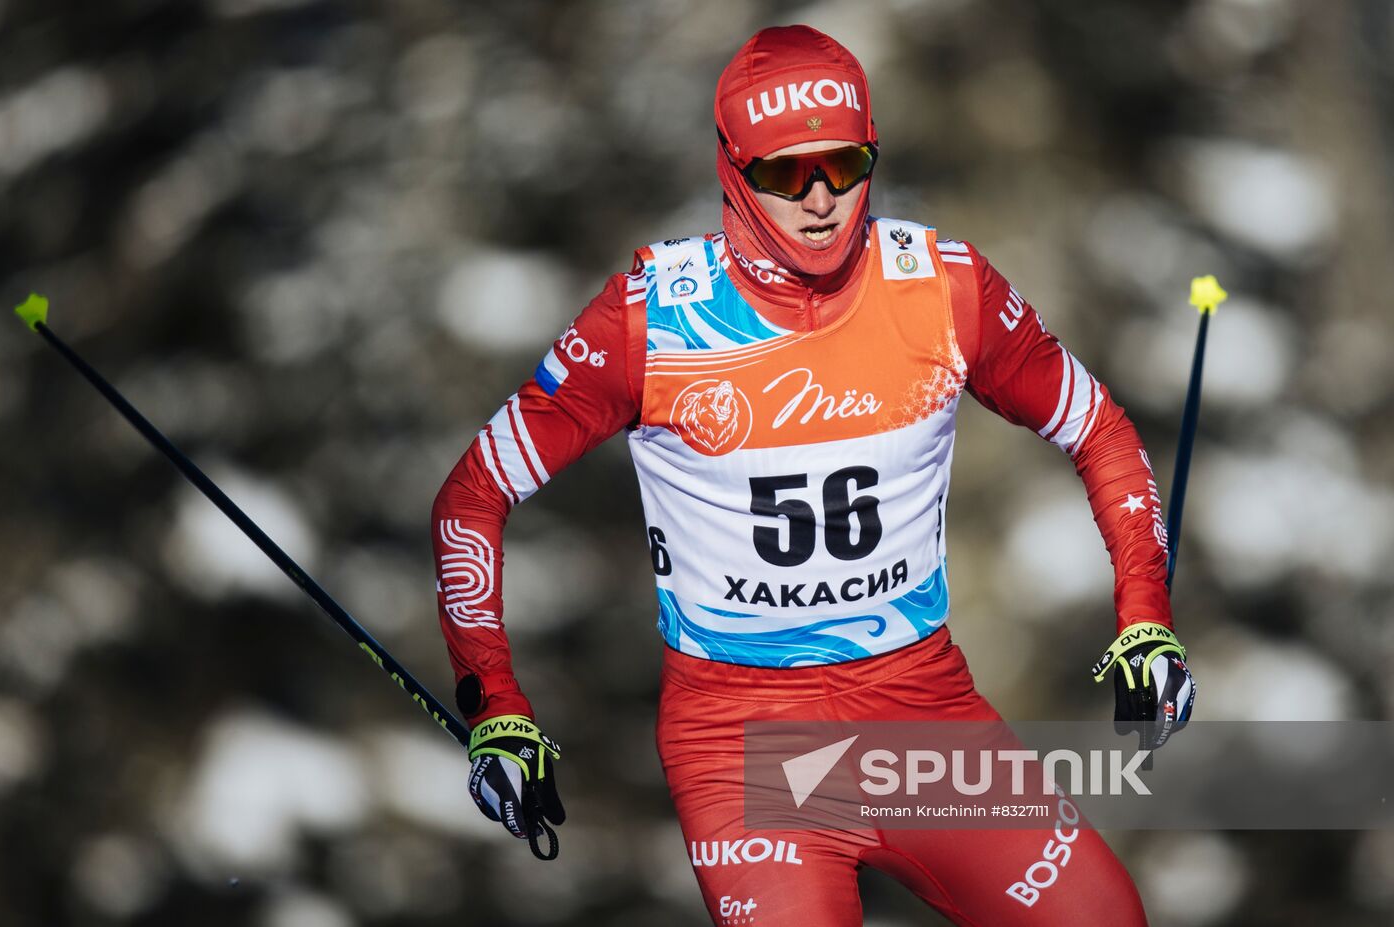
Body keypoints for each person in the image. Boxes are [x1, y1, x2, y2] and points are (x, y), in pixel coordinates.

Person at [431, 25, 1196, 926]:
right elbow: (472, 499)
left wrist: (1146, 620)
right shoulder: (651, 320)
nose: (823, 198)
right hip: (743, 739)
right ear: (731, 168)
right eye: (787, 174)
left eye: (845, 163)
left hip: (920, 712)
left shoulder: (941, 288)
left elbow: (1098, 428)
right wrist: (497, 707)